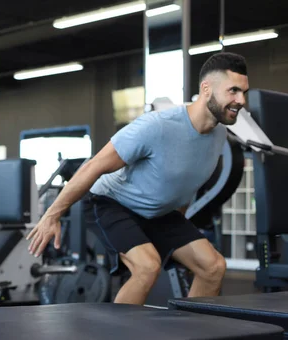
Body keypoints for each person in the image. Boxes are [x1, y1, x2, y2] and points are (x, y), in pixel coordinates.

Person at [27, 52, 249, 306]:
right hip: (110, 202)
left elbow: (184, 187)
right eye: (233, 91)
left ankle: (190, 336)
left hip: (158, 212)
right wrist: (51, 216)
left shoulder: (218, 135)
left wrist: (178, 237)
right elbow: (94, 166)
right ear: (206, 89)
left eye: (244, 92)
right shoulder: (156, 126)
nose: (241, 100)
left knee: (213, 266)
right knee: (147, 267)